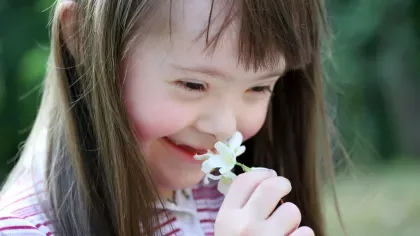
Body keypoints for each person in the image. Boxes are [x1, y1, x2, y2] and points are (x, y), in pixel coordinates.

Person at [0, 0, 337, 235]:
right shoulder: (25, 228)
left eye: (259, 87)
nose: (225, 128)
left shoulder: (236, 202)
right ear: (83, 39)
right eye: (193, 84)